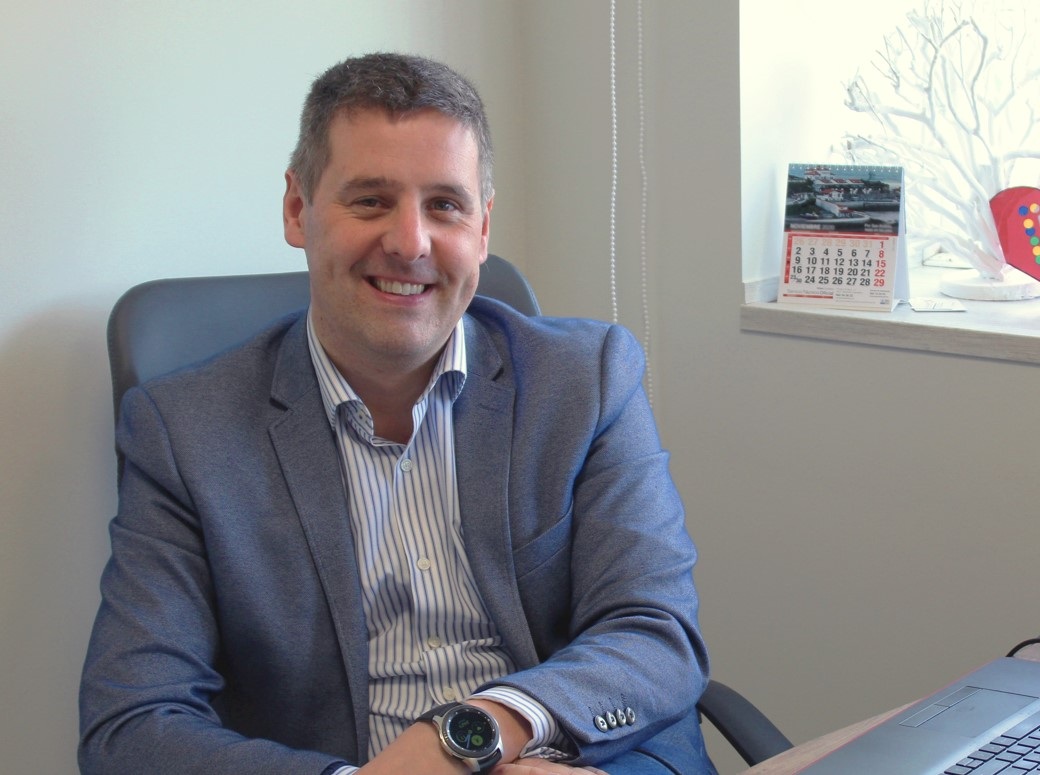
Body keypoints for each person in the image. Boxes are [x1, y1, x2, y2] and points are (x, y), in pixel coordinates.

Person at [78, 53, 716, 775]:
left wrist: (476, 733)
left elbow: (654, 632)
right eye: (370, 200)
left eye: (444, 205)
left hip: (581, 754)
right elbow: (130, 725)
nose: (411, 242)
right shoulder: (184, 432)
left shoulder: (586, 378)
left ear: (482, 227)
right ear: (297, 210)